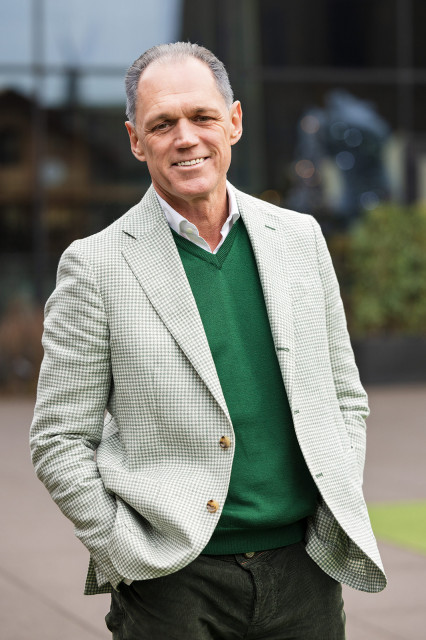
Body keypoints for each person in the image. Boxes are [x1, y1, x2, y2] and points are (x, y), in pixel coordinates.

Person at [30, 42, 386, 639]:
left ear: (234, 122)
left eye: (202, 117)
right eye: (162, 124)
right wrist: (122, 549)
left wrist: (337, 490)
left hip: (306, 572)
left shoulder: (300, 238)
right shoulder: (94, 266)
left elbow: (344, 396)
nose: (186, 138)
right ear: (136, 141)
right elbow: (58, 439)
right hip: (172, 586)